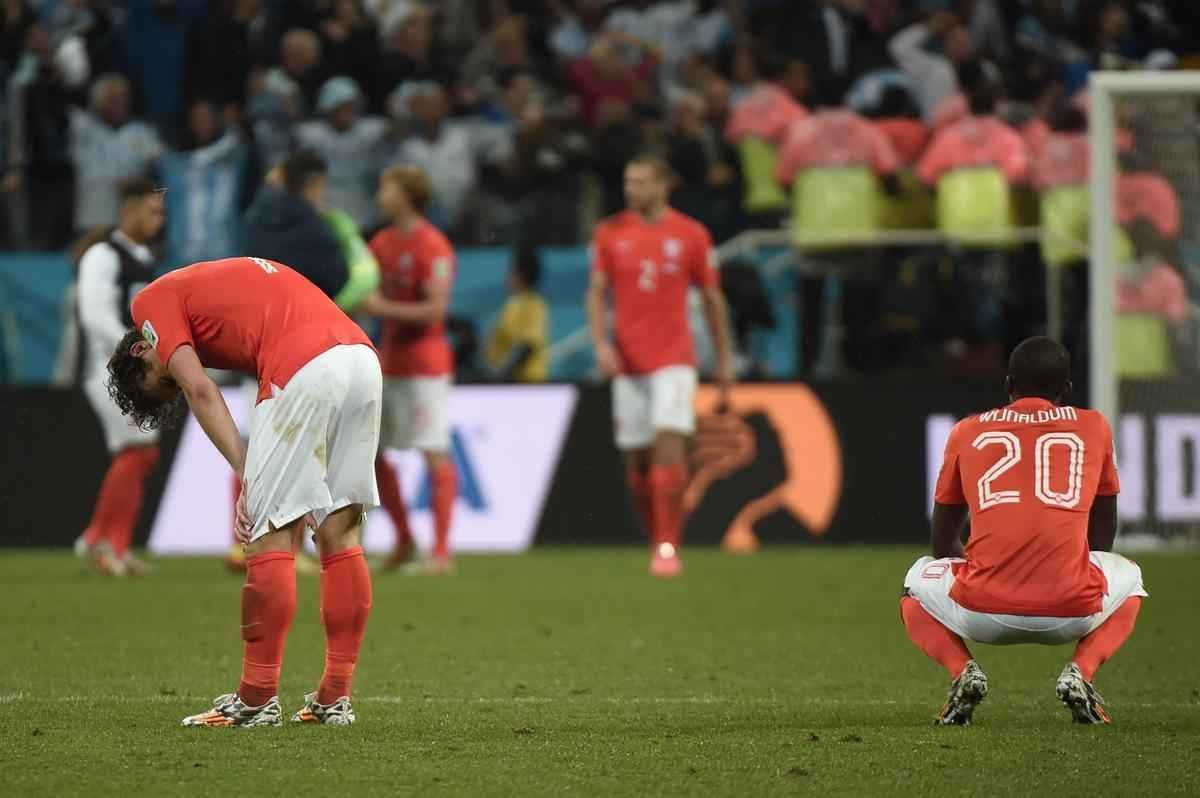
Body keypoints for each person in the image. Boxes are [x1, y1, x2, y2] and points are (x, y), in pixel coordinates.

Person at [106, 256, 380, 727]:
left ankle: (256, 700)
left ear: (139, 351)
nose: (172, 377)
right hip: (361, 357)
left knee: (268, 534)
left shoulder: (149, 304)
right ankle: (335, 698)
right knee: (341, 534)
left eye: (162, 378)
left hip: (305, 365)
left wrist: (247, 472)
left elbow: (201, 390)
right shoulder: (207, 288)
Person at [904, 337, 1146, 725]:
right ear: (1066, 390)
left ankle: (962, 671)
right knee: (1131, 577)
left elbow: (942, 542)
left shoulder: (967, 431)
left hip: (980, 611)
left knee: (913, 582)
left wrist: (983, 573)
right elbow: (1103, 530)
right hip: (1073, 610)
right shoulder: (1094, 426)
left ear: (1008, 384)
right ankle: (1080, 672)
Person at [586, 154, 735, 577]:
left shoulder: (691, 234)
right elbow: (597, 292)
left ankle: (668, 546)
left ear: (663, 185)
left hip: (674, 359)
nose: (631, 190)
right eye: (627, 182)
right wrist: (600, 343)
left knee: (669, 446)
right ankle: (658, 537)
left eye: (639, 182)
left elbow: (711, 299)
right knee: (637, 462)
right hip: (628, 362)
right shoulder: (609, 233)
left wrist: (724, 361)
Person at [363, 165, 457, 573]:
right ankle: (403, 540)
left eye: (388, 186)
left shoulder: (433, 245)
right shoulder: (380, 243)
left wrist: (383, 309)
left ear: (407, 194)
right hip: (390, 363)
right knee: (372, 454)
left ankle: (441, 553)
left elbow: (436, 310)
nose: (381, 193)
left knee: (433, 450)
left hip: (425, 366)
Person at [72, 178, 165, 577]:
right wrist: (137, 353)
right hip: (104, 368)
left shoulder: (142, 255)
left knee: (140, 452)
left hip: (129, 370)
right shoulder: (102, 256)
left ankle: (107, 542)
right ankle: (102, 540)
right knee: (138, 449)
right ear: (128, 210)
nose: (159, 220)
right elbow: (94, 316)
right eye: (152, 211)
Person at [486, 243, 550, 383]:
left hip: (526, 383)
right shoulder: (511, 304)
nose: (507, 274)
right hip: (508, 382)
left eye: (511, 270)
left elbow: (527, 346)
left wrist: (501, 374)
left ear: (521, 274)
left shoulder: (534, 304)